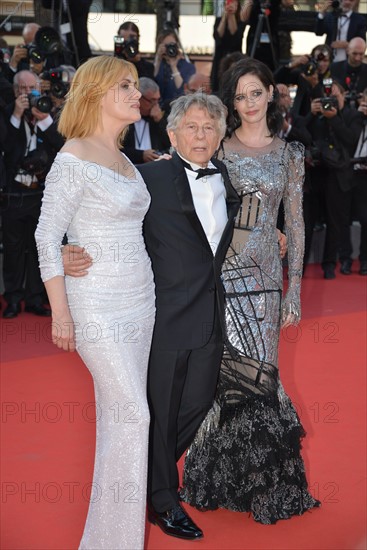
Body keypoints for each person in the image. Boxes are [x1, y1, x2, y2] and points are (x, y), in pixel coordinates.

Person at [62, 91, 241, 540]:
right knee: (159, 410)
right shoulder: (144, 177)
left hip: (208, 313)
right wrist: (65, 246)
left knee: (198, 402)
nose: (201, 135)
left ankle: (143, 471)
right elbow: (95, 209)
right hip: (159, 314)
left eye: (210, 127)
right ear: (173, 132)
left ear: (220, 135)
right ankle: (163, 498)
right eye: (193, 126)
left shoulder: (227, 179)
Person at [180, 58, 320, 524]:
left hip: (265, 287)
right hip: (224, 279)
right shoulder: (217, 151)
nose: (248, 103)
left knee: (261, 376)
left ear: (270, 94)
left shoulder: (290, 154)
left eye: (255, 93)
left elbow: (295, 224)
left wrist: (295, 286)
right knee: (224, 380)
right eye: (239, 96)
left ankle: (266, 487)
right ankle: (220, 480)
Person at [35, 55, 155, 549]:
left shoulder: (128, 161)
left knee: (118, 417)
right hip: (97, 306)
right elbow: (46, 237)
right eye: (124, 86)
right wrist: (61, 315)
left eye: (135, 85)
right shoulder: (73, 157)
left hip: (141, 300)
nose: (136, 93)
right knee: (135, 414)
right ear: (96, 94)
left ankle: (109, 540)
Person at [2, 70, 63, 319]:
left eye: (33, 88)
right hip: (13, 196)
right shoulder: (7, 115)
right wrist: (17, 114)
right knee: (14, 251)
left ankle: (36, 298)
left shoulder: (48, 113)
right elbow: (5, 145)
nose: (30, 94)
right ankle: (14, 299)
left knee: (39, 249)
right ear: (16, 92)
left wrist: (45, 119)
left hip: (40, 196)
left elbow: (62, 144)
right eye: (24, 89)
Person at [122, 77, 170, 163]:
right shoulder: (123, 119)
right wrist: (141, 155)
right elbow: (117, 149)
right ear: (138, 98)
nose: (156, 105)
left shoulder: (160, 118)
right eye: (152, 101)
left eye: (158, 100)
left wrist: (160, 121)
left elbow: (171, 144)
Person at [210, 0, 246, 93]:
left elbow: (234, 34)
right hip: (220, 56)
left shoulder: (241, 22)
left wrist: (231, 15)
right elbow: (218, 35)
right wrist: (224, 17)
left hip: (234, 57)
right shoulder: (219, 20)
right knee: (217, 85)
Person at [153, 30, 196, 110]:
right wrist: (158, 58)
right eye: (166, 46)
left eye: (172, 45)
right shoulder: (158, 64)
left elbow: (182, 90)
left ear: (178, 45)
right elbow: (152, 81)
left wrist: (174, 66)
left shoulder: (188, 66)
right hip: (158, 109)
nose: (170, 48)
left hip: (179, 109)